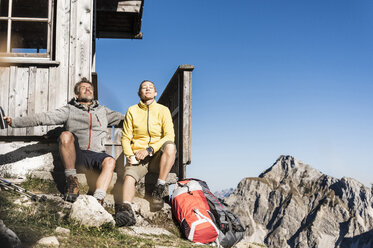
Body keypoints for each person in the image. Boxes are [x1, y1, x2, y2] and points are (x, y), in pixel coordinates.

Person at [3, 78, 124, 204]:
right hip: (76, 154)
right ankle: (72, 181)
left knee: (110, 161)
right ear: (77, 95)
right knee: (65, 134)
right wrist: (14, 122)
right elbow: (43, 118)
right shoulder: (69, 110)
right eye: (83, 88)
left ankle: (98, 199)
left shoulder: (103, 111)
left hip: (96, 155)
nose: (87, 89)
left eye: (90, 88)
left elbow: (129, 119)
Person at [115, 80, 176, 227]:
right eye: (144, 87)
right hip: (137, 156)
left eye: (151, 87)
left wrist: (149, 149)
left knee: (171, 147)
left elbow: (169, 136)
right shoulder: (132, 110)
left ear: (155, 93)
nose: (147, 89)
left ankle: (159, 188)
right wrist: (130, 155)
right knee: (129, 176)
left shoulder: (163, 110)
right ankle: (126, 210)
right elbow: (126, 137)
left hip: (155, 156)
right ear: (139, 93)